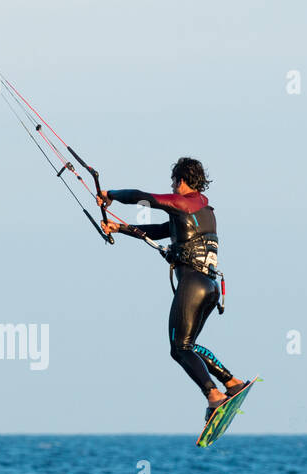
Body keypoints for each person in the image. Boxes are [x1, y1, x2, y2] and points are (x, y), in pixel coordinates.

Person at [99, 157, 249, 421]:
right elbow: (160, 230)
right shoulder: (205, 211)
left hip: (192, 283)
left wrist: (110, 195)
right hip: (211, 287)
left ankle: (214, 396)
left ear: (180, 181)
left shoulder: (181, 202)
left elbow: (142, 198)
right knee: (189, 345)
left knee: (179, 348)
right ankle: (232, 382)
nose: (172, 187)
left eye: (173, 182)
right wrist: (120, 228)